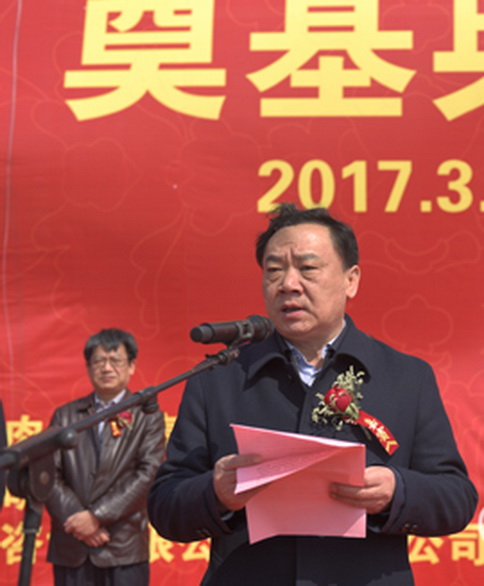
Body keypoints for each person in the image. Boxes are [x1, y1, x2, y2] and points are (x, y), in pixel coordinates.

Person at [147, 204, 478, 585]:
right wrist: (216, 493)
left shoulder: (406, 377)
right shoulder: (218, 378)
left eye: (307, 268)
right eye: (274, 270)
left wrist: (396, 491)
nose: (288, 284)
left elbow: (457, 498)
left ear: (351, 280)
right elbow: (165, 506)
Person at [46, 328, 165, 586]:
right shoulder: (66, 416)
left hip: (123, 545)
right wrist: (79, 520)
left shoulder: (147, 416)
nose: (107, 368)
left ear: (131, 366)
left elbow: (149, 473)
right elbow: (49, 475)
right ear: (88, 368)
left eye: (115, 361)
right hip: (72, 545)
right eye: (99, 361)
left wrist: (96, 517)